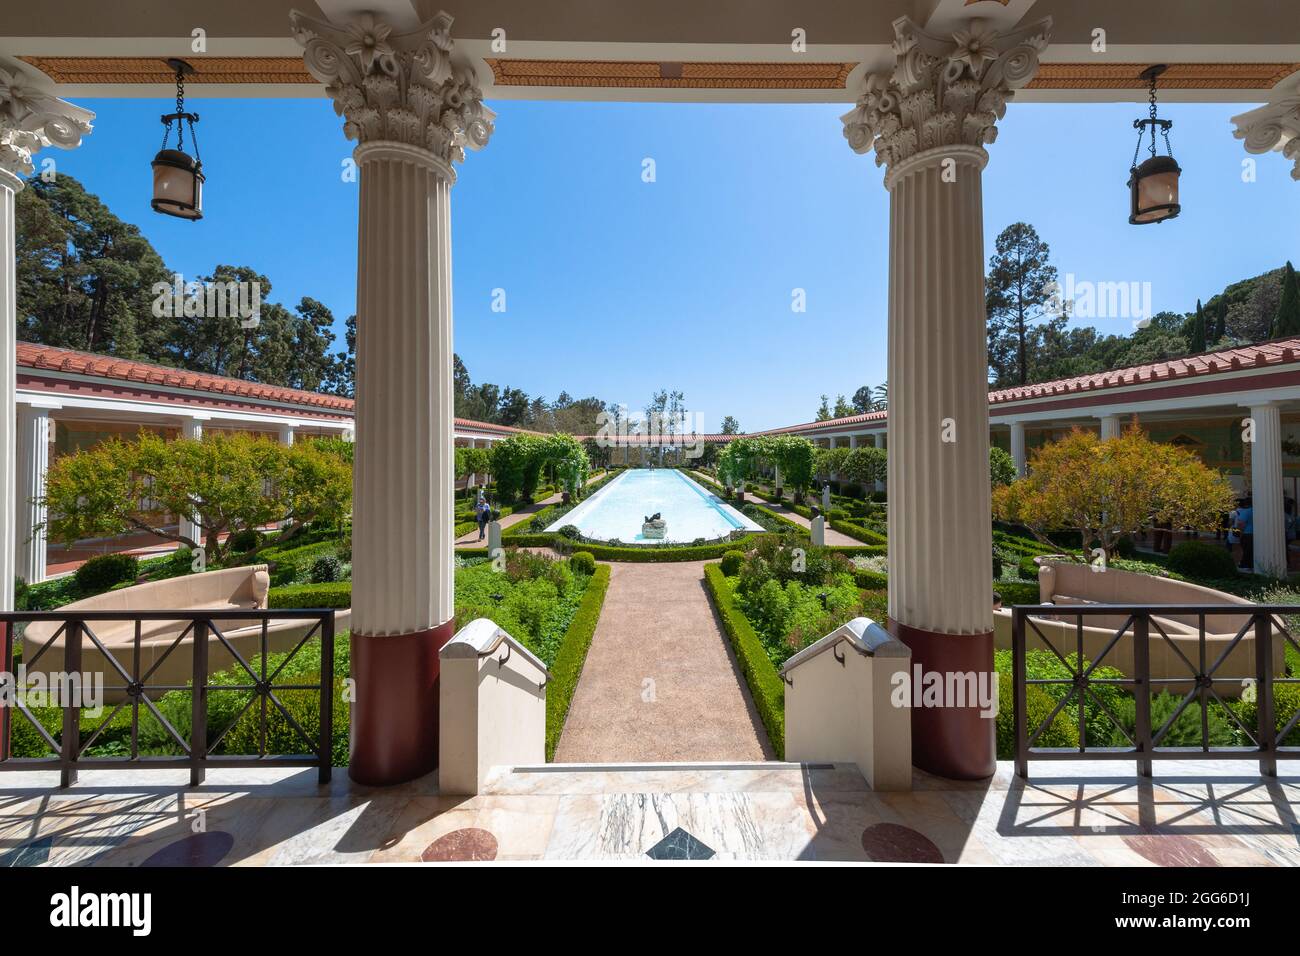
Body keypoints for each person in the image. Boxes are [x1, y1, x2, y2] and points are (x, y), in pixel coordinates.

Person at [1235, 497, 1254, 571]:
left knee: (1246, 550)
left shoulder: (1245, 512)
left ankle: (1245, 565)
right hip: (1255, 534)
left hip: (1247, 534)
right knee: (1252, 550)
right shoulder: (1258, 510)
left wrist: (1240, 535)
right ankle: (1251, 564)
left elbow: (1241, 525)